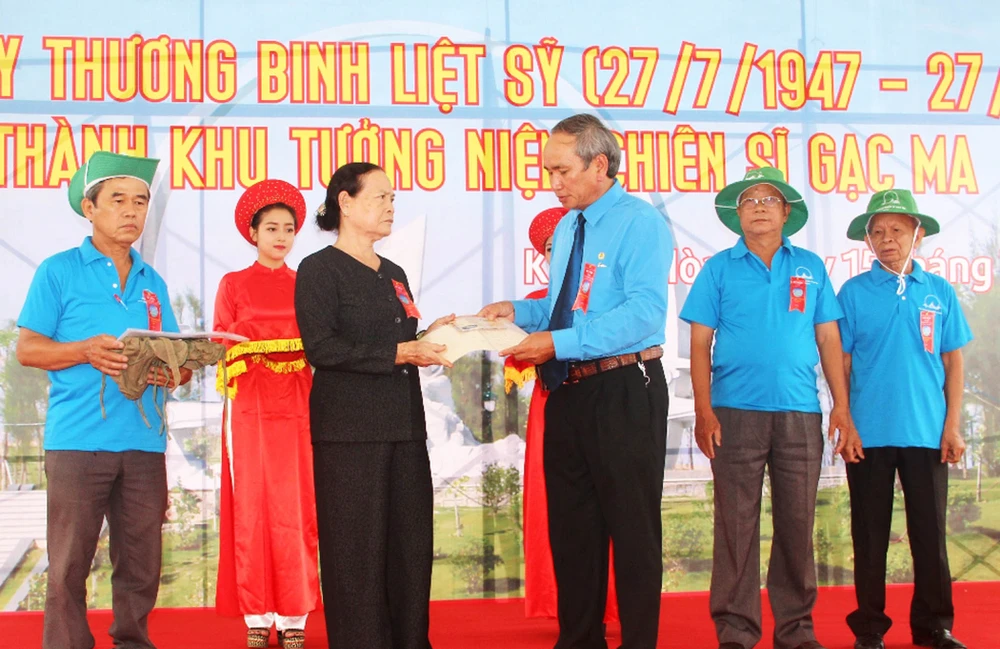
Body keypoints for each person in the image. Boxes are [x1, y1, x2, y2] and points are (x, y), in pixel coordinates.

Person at [480, 113, 673, 649]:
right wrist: (516, 311)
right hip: (567, 390)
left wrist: (557, 342)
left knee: (632, 532)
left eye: (562, 170)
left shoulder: (640, 223)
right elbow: (562, 307)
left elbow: (644, 314)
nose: (553, 183)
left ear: (599, 165)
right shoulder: (568, 226)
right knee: (573, 531)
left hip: (624, 387)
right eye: (549, 171)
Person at [679, 166, 860, 649]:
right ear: (737, 215)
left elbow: (829, 338)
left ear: (786, 212)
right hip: (733, 412)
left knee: (798, 525)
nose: (759, 207)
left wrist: (841, 406)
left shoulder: (811, 267)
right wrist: (704, 410)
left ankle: (796, 631)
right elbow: (699, 344)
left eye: (768, 199)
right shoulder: (718, 268)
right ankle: (736, 631)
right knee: (735, 526)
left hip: (801, 411)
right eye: (749, 201)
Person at [15, 150, 191, 649]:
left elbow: (175, 357)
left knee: (142, 565)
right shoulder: (58, 271)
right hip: (78, 442)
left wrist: (175, 369)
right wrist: (84, 350)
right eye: (118, 200)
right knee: (69, 564)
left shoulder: (153, 283)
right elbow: (28, 349)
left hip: (144, 443)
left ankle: (132, 642)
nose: (131, 211)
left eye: (140, 201)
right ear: (89, 209)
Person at [294, 162, 454, 649]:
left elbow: (402, 338)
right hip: (349, 433)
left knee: (409, 549)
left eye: (393, 199)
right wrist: (400, 352)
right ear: (345, 202)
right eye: (380, 197)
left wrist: (433, 335)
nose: (390, 207)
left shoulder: (395, 273)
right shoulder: (318, 269)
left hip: (404, 427)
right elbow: (322, 348)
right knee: (355, 556)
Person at [838, 190, 973, 649]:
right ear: (867, 241)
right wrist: (847, 422)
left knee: (930, 534)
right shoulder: (853, 293)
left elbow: (953, 362)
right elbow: (842, 363)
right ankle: (870, 629)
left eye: (897, 230)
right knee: (869, 535)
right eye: (877, 232)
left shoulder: (939, 291)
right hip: (868, 433)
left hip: (927, 431)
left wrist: (952, 425)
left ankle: (934, 625)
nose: (886, 239)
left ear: (918, 235)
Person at [213, 179, 320, 649]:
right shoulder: (232, 284)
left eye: (289, 229)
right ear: (253, 233)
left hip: (298, 403)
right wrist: (255, 339)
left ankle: (295, 617)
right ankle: (257, 615)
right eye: (272, 228)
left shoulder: (307, 284)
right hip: (249, 405)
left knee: (296, 506)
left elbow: (321, 342)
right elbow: (222, 340)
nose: (281, 236)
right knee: (252, 507)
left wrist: (259, 335)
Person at [503, 207, 620, 627]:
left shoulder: (604, 292)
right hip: (550, 404)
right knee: (557, 507)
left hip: (604, 397)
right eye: (551, 248)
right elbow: (517, 361)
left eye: (567, 244)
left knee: (608, 503)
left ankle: (612, 606)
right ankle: (569, 608)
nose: (560, 254)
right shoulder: (535, 302)